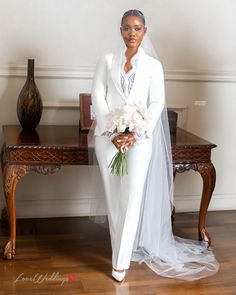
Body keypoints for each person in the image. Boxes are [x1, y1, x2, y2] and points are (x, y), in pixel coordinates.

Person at [91, 9, 219, 282]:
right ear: (120, 30)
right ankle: (118, 248)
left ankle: (120, 261)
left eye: (137, 28)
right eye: (126, 28)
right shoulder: (107, 60)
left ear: (144, 31)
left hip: (139, 141)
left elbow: (157, 102)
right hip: (107, 139)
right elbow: (98, 97)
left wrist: (136, 133)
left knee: (132, 198)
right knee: (114, 199)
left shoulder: (153, 67)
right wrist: (112, 130)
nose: (131, 33)